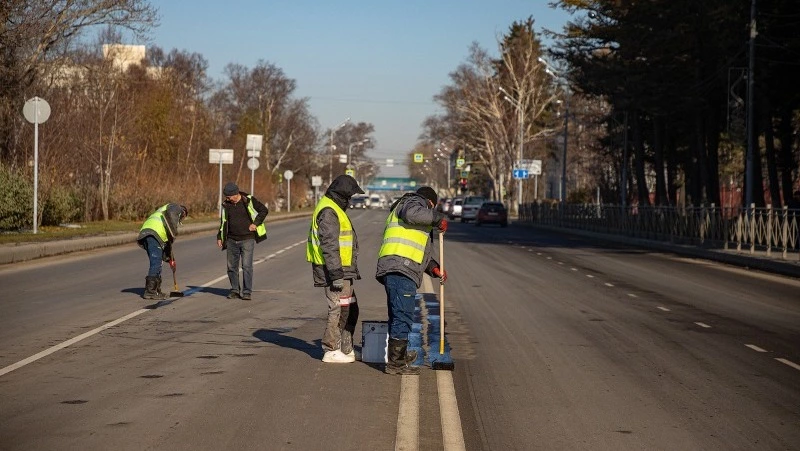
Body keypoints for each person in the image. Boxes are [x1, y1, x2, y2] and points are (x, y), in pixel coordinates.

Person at [376, 186, 448, 375]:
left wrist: (433, 268)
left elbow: (418, 250)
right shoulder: (412, 202)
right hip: (401, 269)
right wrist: (437, 218)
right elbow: (411, 213)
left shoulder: (413, 208)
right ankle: (395, 364)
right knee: (403, 316)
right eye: (431, 209)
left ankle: (399, 355)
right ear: (430, 203)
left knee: (398, 314)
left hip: (398, 267)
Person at [307, 175, 365, 363]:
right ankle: (331, 349)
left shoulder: (335, 208)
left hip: (343, 269)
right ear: (342, 195)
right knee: (337, 308)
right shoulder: (329, 211)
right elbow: (329, 245)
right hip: (334, 271)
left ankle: (345, 348)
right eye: (349, 197)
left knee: (350, 309)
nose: (350, 201)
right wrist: (336, 275)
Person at [217, 182, 268, 300]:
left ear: (235, 194)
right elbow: (223, 222)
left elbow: (264, 210)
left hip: (247, 239)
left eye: (228, 197)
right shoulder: (226, 205)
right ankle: (235, 290)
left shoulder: (248, 200)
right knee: (231, 267)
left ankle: (246, 291)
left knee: (247, 266)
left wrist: (255, 224)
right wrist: (220, 236)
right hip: (231, 240)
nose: (227, 199)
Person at [137, 203, 188, 300]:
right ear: (184, 213)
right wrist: (173, 235)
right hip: (154, 233)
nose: (181, 220)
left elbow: (167, 242)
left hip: (147, 232)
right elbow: (171, 228)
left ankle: (156, 291)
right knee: (156, 262)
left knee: (158, 262)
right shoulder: (176, 207)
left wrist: (170, 259)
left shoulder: (164, 212)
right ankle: (150, 292)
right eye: (183, 217)